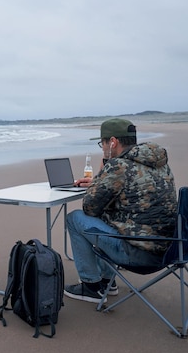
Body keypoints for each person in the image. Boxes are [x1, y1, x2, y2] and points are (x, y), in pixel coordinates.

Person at [64, 118, 178, 303]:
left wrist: (103, 172)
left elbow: (90, 207)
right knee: (115, 215)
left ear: (113, 142)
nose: (102, 148)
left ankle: (91, 286)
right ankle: (109, 281)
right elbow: (136, 189)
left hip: (139, 255)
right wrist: (100, 183)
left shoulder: (118, 166)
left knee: (75, 218)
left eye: (103, 143)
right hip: (170, 247)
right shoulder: (159, 163)